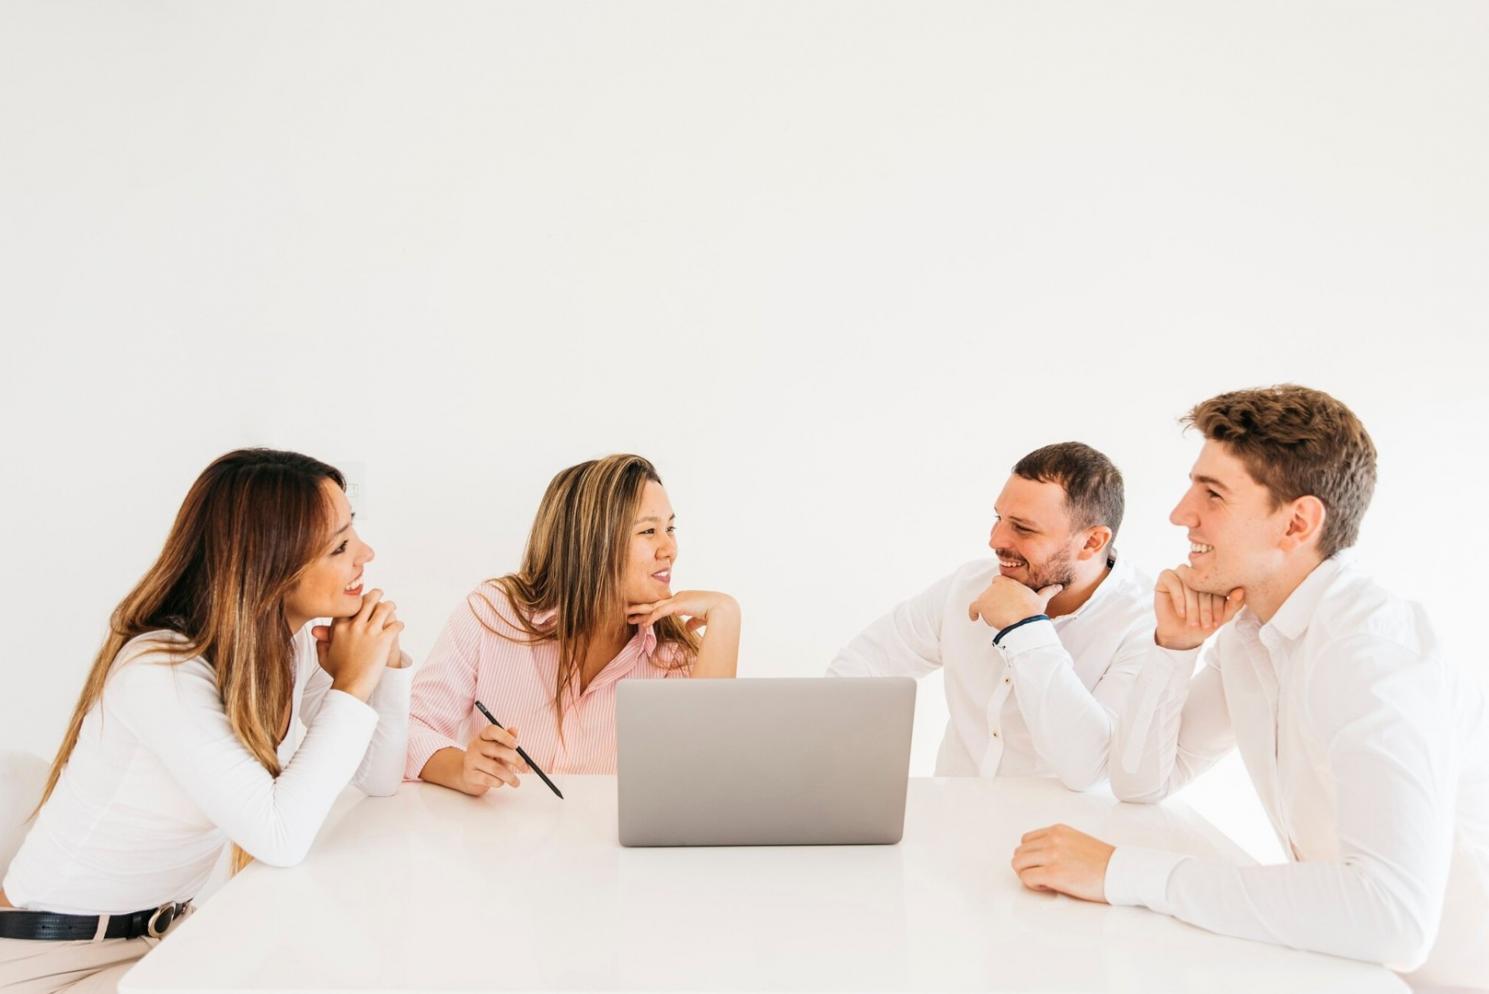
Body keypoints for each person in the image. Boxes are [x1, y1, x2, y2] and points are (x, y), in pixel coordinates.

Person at [1011, 386, 1489, 989]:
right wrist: (1174, 649)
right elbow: (1142, 782)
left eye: (1212, 494)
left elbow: (1394, 919)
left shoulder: (1372, 655)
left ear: (1297, 523)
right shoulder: (1251, 632)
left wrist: (1122, 872)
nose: (1181, 513)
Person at [0, 449, 412, 993]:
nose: (366, 553)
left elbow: (379, 778)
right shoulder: (161, 668)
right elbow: (280, 836)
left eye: (352, 531)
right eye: (340, 546)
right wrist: (354, 684)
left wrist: (389, 664)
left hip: (162, 944)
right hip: (49, 959)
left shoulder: (286, 649)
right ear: (270, 564)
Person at [828, 442, 1154, 789]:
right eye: (999, 518)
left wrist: (1024, 629)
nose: (995, 540)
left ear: (1092, 542)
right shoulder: (967, 586)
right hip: (951, 822)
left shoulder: (1145, 623)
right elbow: (861, 667)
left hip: (1066, 834)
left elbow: (1088, 767)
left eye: (1023, 528)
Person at [407, 454, 740, 793]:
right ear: (593, 543)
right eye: (649, 531)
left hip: (607, 846)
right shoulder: (493, 614)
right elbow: (411, 728)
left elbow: (707, 784)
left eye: (670, 529)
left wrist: (726, 615)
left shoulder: (672, 657)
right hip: (499, 843)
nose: (669, 548)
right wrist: (462, 768)